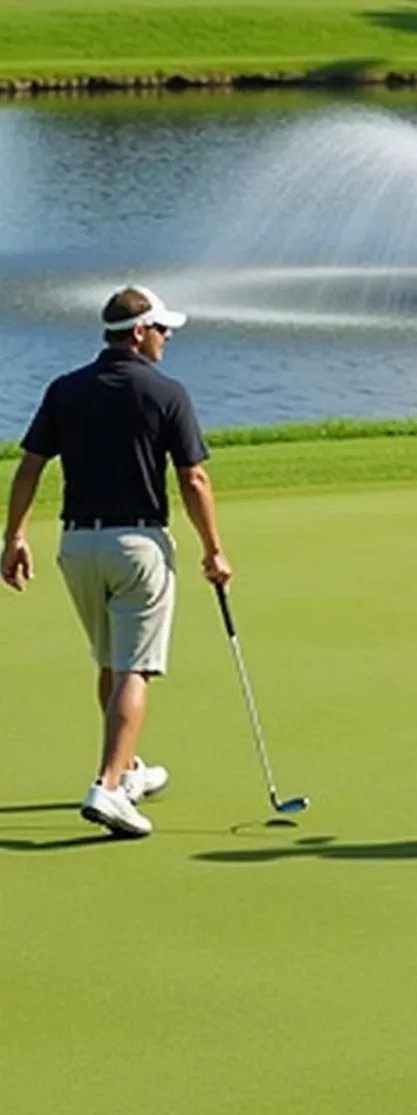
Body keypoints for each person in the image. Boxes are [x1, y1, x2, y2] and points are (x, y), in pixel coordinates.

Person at [2, 285, 233, 838]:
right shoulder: (167, 391)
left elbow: (30, 466)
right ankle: (107, 786)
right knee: (136, 667)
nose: (168, 337)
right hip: (139, 548)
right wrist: (214, 549)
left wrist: (13, 537)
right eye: (161, 329)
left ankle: (129, 768)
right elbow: (193, 477)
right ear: (138, 333)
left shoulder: (65, 389)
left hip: (77, 547)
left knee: (110, 661)